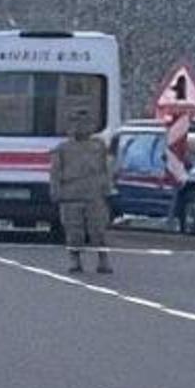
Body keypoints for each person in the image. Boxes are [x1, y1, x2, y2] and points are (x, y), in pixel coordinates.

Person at [49, 109, 114, 274]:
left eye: (85, 124)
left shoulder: (98, 147)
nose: (80, 128)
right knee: (73, 231)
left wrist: (108, 187)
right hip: (71, 195)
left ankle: (103, 259)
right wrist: (55, 191)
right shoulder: (62, 149)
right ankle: (75, 260)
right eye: (76, 124)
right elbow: (55, 172)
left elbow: (107, 168)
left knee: (98, 229)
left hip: (94, 195)